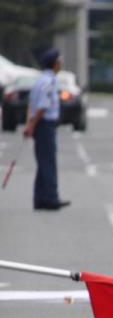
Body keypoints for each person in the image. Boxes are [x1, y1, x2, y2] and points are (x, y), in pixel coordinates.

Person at [23, 47, 70, 211]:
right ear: (55, 64)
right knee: (48, 161)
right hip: (44, 125)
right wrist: (32, 125)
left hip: (41, 124)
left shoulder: (41, 80)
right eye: (60, 61)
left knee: (43, 161)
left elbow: (32, 104)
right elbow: (42, 106)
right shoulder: (48, 81)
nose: (62, 64)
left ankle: (40, 198)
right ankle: (50, 197)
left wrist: (29, 123)